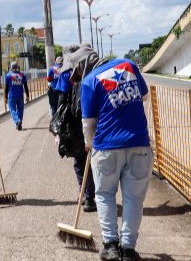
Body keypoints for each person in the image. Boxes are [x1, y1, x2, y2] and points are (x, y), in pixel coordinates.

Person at [63, 45, 153, 261]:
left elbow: (88, 123)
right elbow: (146, 96)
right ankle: (128, 249)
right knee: (134, 198)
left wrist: (89, 144)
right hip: (139, 143)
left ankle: (111, 246)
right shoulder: (129, 65)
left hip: (107, 147)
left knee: (104, 195)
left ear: (83, 65)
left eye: (74, 71)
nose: (73, 77)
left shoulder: (89, 81)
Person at [55, 44, 97, 213]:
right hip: (93, 118)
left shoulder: (66, 74)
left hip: (75, 122)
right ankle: (90, 196)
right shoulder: (93, 70)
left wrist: (58, 129)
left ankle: (85, 194)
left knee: (80, 160)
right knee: (92, 159)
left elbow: (61, 101)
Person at [5, 61, 29, 130]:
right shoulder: (22, 75)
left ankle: (17, 121)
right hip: (20, 96)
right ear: (18, 67)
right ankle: (19, 123)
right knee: (20, 110)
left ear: (11, 68)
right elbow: (26, 86)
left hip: (12, 96)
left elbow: (6, 87)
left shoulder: (8, 75)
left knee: (12, 110)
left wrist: (5, 97)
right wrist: (27, 96)